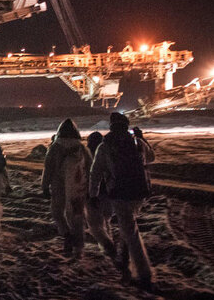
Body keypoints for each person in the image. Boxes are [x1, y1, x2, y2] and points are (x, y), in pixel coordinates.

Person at [90, 112, 154, 288]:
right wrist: (143, 139)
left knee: (131, 232)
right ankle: (125, 260)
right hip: (139, 192)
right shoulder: (136, 143)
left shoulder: (105, 146)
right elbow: (152, 158)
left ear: (111, 127)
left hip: (119, 193)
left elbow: (95, 173)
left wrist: (94, 194)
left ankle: (143, 274)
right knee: (129, 227)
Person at [41, 119, 89, 258]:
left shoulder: (55, 147)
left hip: (58, 186)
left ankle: (66, 234)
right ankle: (79, 247)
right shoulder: (81, 148)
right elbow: (89, 167)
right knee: (77, 215)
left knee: (57, 212)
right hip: (78, 188)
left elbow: (48, 168)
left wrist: (44, 186)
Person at [84, 131, 115, 257]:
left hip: (93, 194)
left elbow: (91, 176)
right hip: (109, 193)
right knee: (106, 220)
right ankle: (108, 245)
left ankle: (107, 245)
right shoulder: (108, 153)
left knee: (95, 225)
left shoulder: (85, 156)